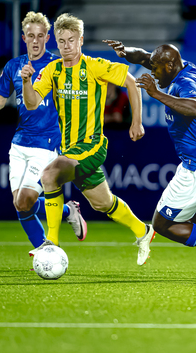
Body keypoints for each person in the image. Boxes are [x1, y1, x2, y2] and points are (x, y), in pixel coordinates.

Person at [103, 40, 196, 280]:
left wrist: (156, 93)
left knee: (162, 225)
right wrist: (125, 52)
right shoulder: (184, 67)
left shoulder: (186, 82)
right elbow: (144, 57)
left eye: (157, 69)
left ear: (170, 65)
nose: (152, 72)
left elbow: (195, 108)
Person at [21, 14, 154, 265]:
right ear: (57, 43)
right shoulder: (52, 70)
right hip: (69, 149)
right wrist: (27, 81)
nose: (66, 46)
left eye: (71, 40)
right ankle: (143, 231)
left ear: (80, 40)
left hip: (92, 145)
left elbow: (131, 81)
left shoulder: (94, 66)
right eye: (61, 41)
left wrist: (136, 121)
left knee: (50, 175)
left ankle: (51, 243)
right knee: (103, 203)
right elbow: (31, 103)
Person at [0, 11, 86, 253]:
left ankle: (47, 252)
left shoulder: (57, 66)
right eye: (30, 36)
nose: (35, 41)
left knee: (25, 200)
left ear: (47, 38)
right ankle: (67, 212)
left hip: (46, 144)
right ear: (24, 38)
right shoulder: (14, 66)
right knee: (20, 204)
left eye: (40, 36)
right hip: (19, 143)